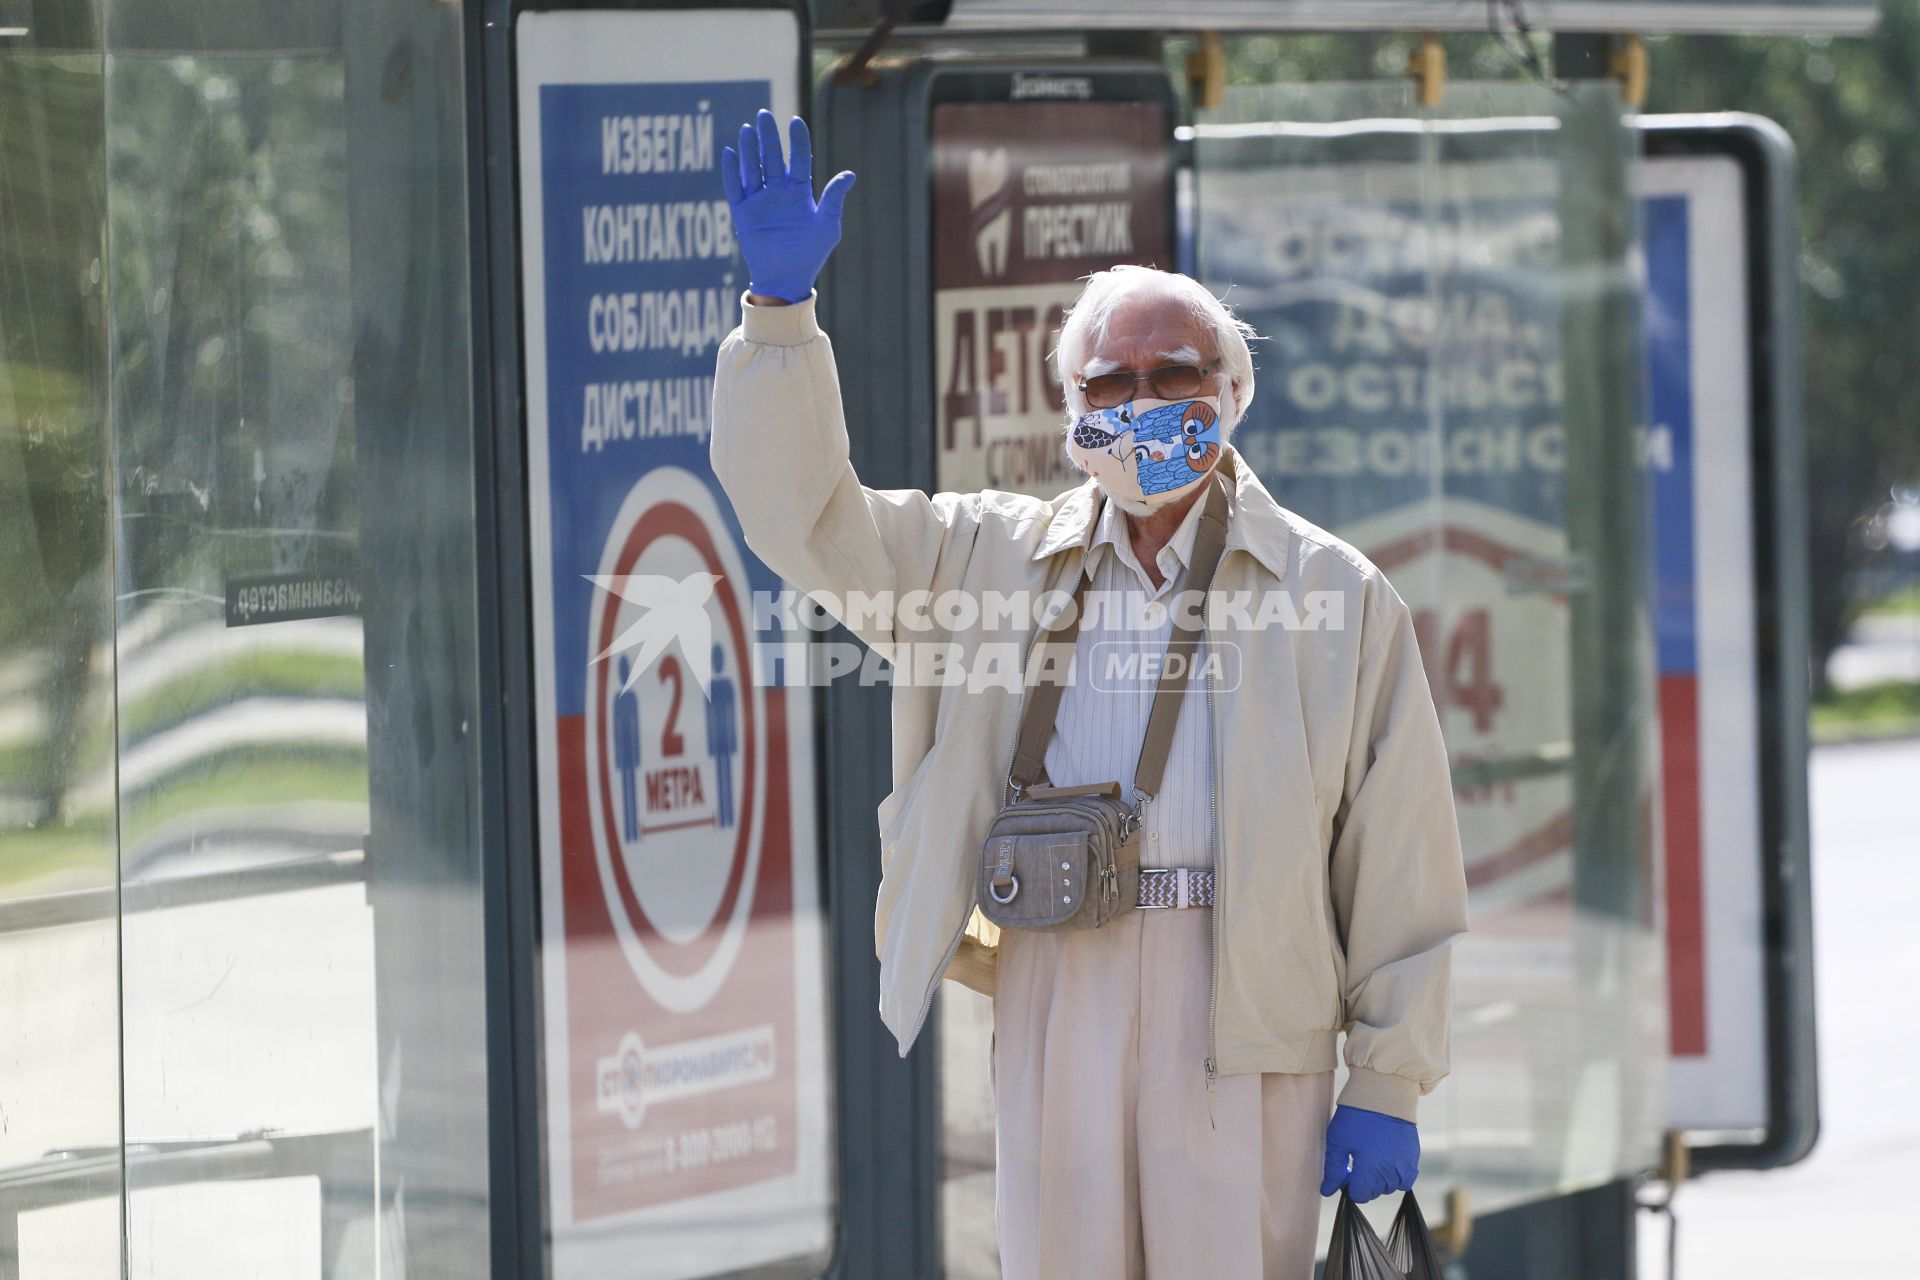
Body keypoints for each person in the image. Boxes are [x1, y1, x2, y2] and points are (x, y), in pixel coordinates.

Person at [711, 110, 1468, 1280]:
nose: (1145, 399)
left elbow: (1402, 855)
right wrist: (779, 324)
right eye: (1112, 378)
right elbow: (806, 523)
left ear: (1231, 392)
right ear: (1071, 413)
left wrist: (1388, 1077)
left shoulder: (1335, 592)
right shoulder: (983, 557)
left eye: (1177, 374)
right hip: (1059, 981)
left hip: (1250, 1015)